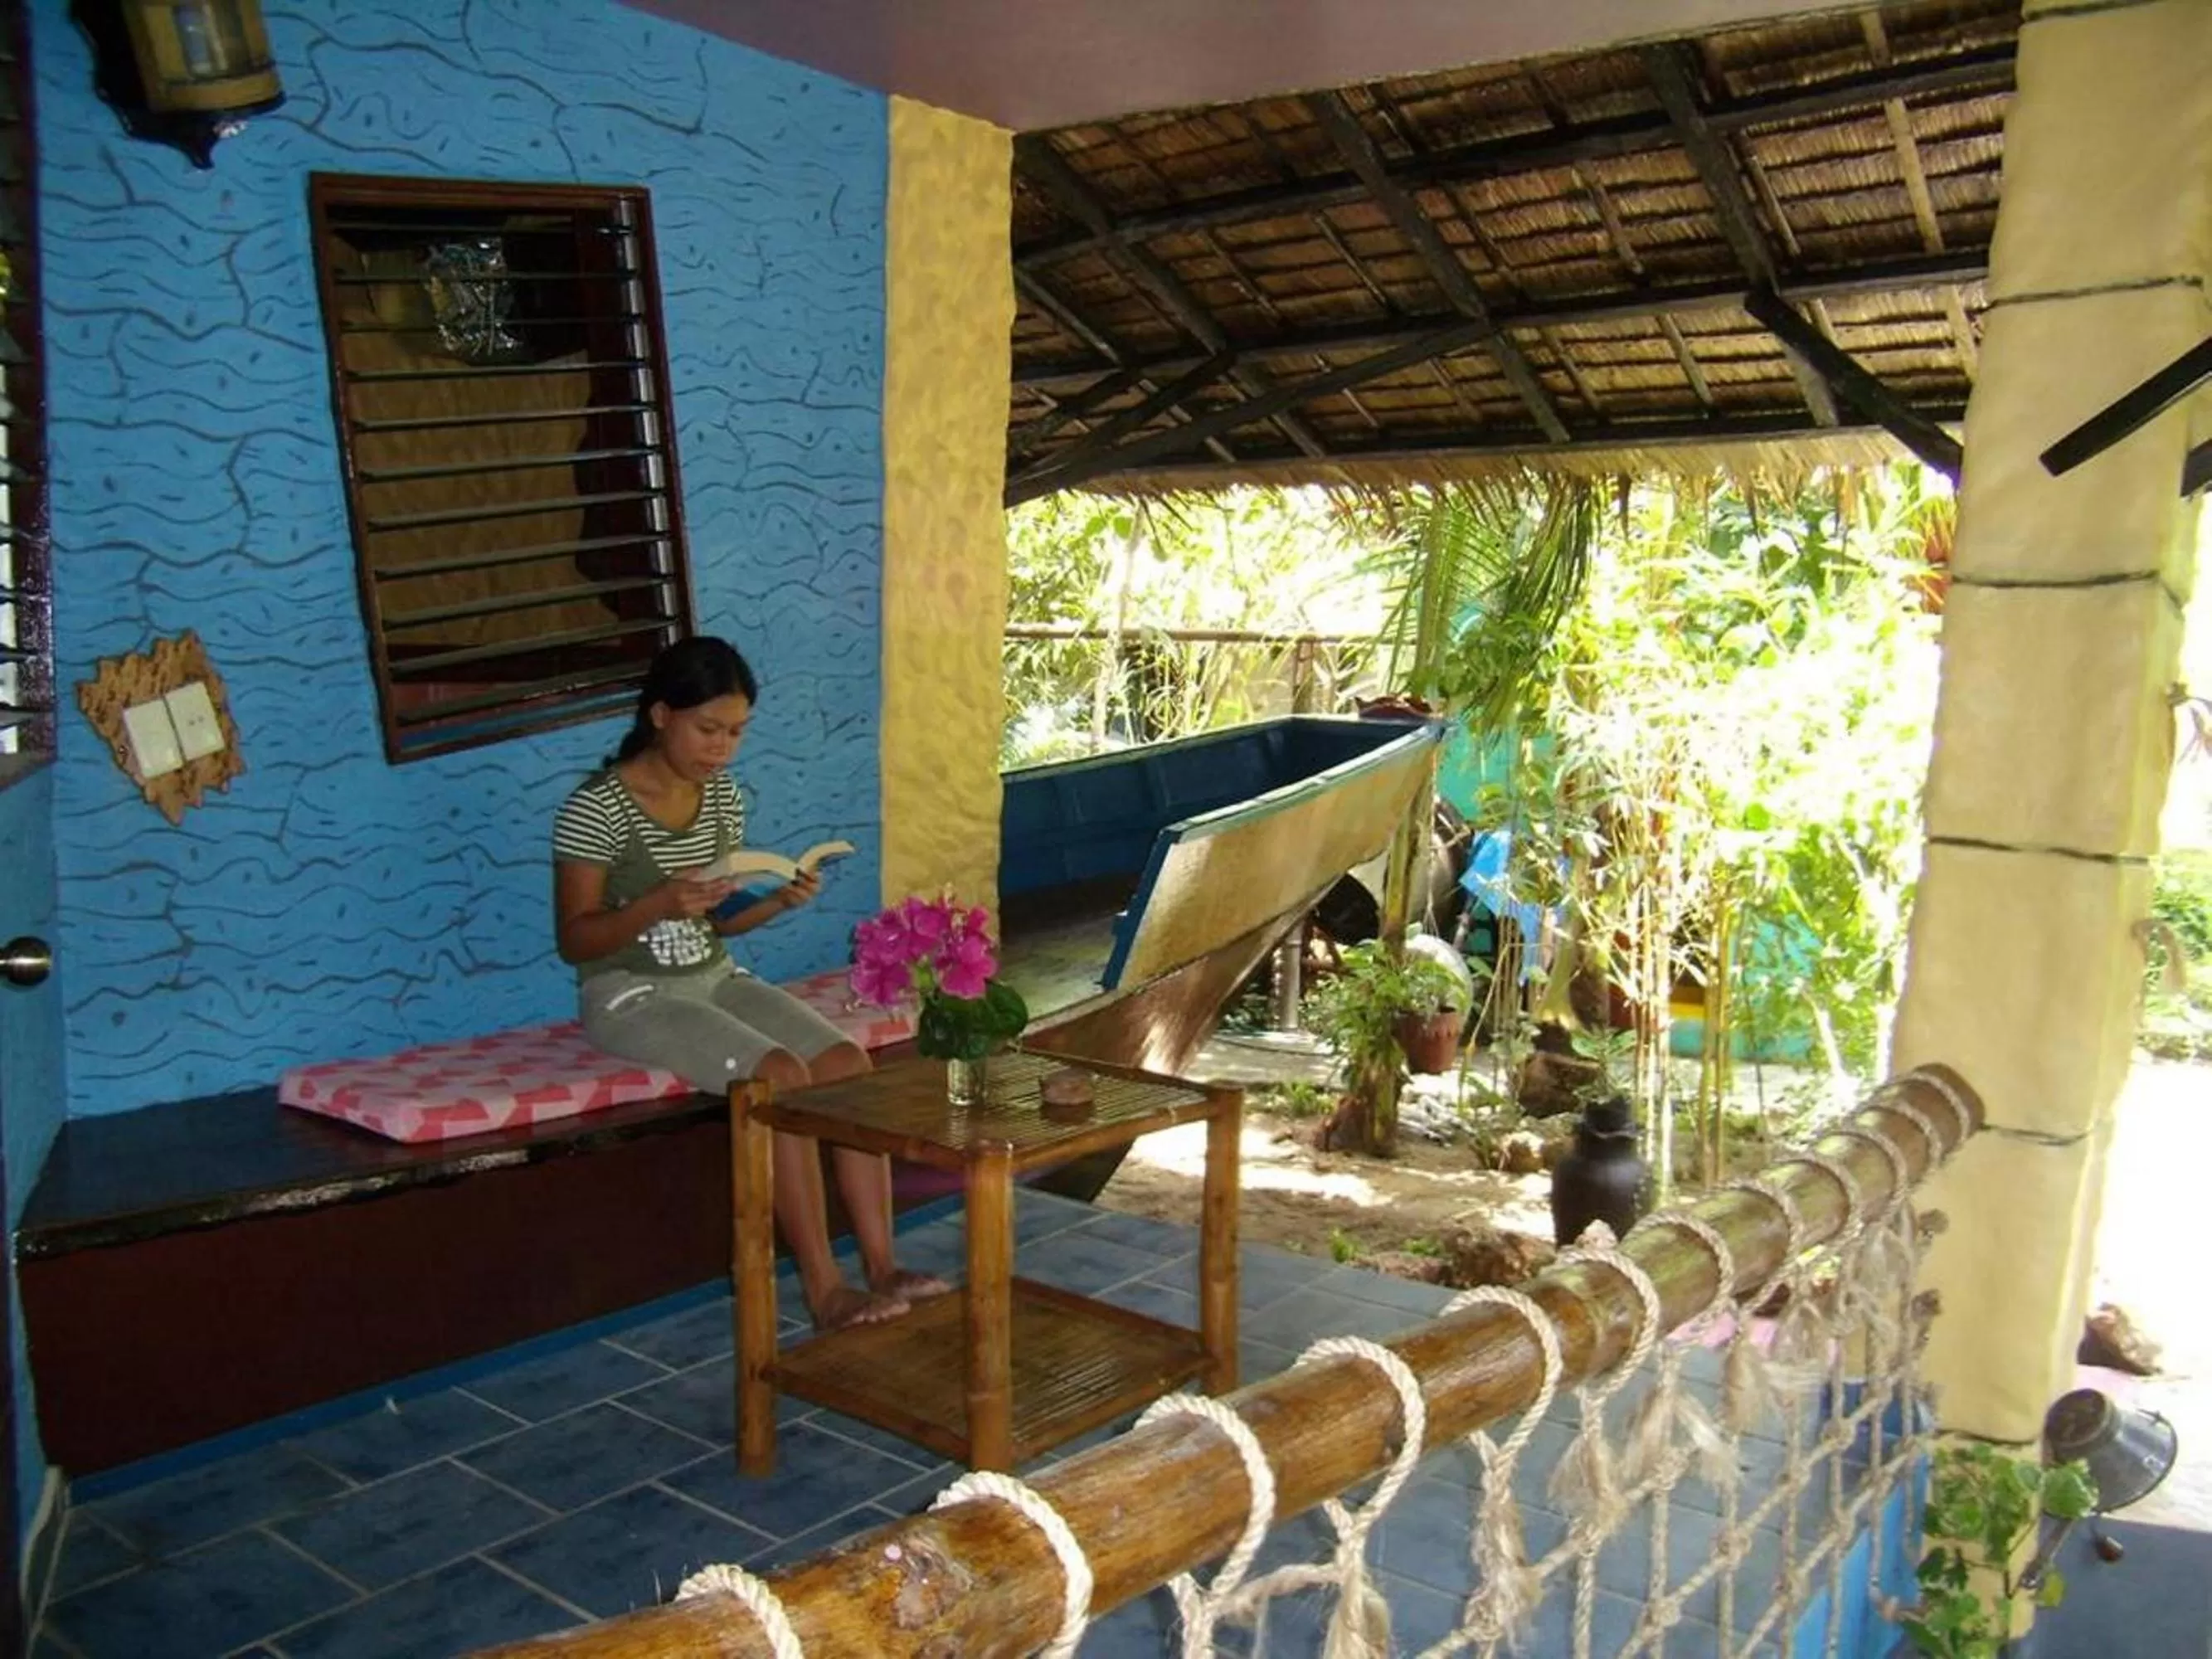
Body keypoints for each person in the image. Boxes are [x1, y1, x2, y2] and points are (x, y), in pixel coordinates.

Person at [552, 635, 947, 1331]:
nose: (721, 748)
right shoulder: (597, 808)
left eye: (735, 733)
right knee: (780, 1077)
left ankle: (883, 1266)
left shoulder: (722, 800)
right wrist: (652, 905)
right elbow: (574, 939)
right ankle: (824, 1289)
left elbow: (720, 925)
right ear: (659, 714)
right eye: (708, 730)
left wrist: (773, 902)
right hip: (628, 994)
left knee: (845, 1066)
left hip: (712, 975)